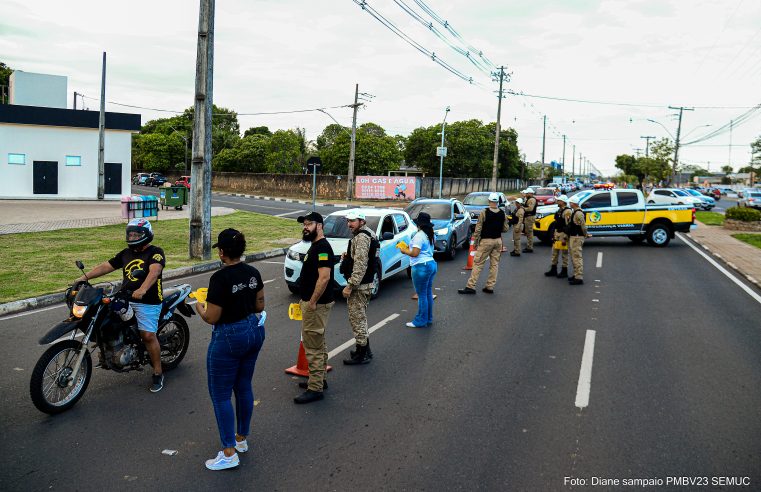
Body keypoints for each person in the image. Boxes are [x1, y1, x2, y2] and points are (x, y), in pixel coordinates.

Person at [195, 229, 266, 471]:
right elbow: (260, 303)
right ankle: (240, 439)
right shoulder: (253, 272)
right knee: (244, 386)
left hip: (229, 335)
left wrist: (200, 308)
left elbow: (213, 317)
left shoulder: (220, 278)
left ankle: (228, 452)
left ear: (222, 252)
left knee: (221, 394)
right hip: (254, 330)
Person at [74, 218, 166, 392]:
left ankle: (157, 372)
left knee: (147, 336)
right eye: (130, 234)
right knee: (104, 319)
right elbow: (106, 266)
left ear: (146, 235)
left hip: (148, 302)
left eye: (136, 234)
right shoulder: (125, 253)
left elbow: (155, 272)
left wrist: (143, 289)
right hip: (126, 298)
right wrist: (84, 278)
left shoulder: (155, 253)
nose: (132, 237)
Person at [294, 212, 335, 404]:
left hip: (316, 305)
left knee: (313, 346)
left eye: (309, 223)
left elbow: (324, 277)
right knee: (318, 342)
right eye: (304, 224)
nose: (305, 227)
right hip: (314, 303)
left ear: (319, 225)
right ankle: (318, 379)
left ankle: (315, 388)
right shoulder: (315, 246)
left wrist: (312, 301)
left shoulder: (323, 248)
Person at [340, 211, 377, 365]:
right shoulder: (368, 233)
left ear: (361, 221)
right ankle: (364, 350)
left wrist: (350, 285)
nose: (349, 224)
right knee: (360, 318)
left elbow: (361, 265)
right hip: (366, 284)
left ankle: (361, 355)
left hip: (359, 286)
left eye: (353, 221)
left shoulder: (362, 237)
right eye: (348, 221)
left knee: (357, 320)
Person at [458, 193, 508, 294]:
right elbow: (505, 228)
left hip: (486, 241)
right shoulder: (502, 213)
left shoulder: (484, 212)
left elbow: (478, 229)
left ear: (489, 201)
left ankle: (471, 286)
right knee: (494, 264)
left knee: (478, 263)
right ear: (497, 202)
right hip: (498, 241)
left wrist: (475, 242)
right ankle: (490, 286)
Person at [397, 212, 437, 327]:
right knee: (428, 293)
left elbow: (415, 253)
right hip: (431, 264)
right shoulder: (430, 234)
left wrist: (404, 250)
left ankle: (421, 320)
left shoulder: (419, 236)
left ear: (419, 224)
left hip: (421, 267)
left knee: (422, 295)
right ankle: (428, 318)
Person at [544, 195, 572, 278]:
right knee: (554, 252)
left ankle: (564, 271)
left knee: (564, 253)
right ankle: (553, 269)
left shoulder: (567, 212)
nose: (557, 202)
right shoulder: (560, 210)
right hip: (557, 233)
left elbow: (568, 226)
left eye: (558, 200)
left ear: (563, 202)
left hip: (563, 234)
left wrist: (565, 237)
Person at [567, 195, 592, 285]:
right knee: (574, 257)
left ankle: (579, 277)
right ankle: (575, 274)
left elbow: (583, 226)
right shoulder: (575, 212)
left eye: (570, 202)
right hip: (573, 236)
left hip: (577, 238)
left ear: (573, 203)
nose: (569, 204)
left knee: (577, 257)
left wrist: (585, 234)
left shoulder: (578, 213)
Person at [522, 188, 537, 253]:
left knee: (529, 232)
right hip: (528, 217)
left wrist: (523, 208)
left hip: (530, 217)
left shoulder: (532, 200)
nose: (526, 194)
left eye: (527, 193)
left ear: (531, 193)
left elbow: (530, 209)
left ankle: (529, 247)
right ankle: (529, 246)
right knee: (528, 232)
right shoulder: (529, 199)